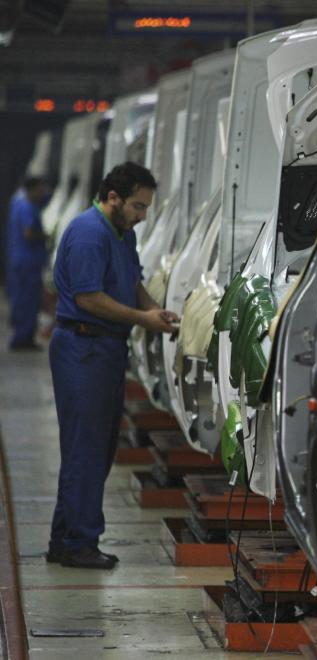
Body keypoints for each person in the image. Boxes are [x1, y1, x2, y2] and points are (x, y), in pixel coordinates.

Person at [47, 162, 178, 570]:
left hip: (104, 349)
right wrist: (143, 321)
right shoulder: (89, 233)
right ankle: (78, 543)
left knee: (97, 449)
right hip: (83, 347)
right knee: (85, 449)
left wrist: (157, 312)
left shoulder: (122, 235)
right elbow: (89, 298)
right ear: (113, 198)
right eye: (138, 207)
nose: (142, 216)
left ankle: (66, 538)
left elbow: (132, 283)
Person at [6, 176, 49, 350]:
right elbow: (28, 233)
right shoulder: (27, 207)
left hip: (20, 260)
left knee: (21, 300)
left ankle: (22, 336)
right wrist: (45, 236)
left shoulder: (18, 203)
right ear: (33, 189)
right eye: (41, 188)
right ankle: (22, 339)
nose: (43, 192)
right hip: (27, 262)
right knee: (28, 301)